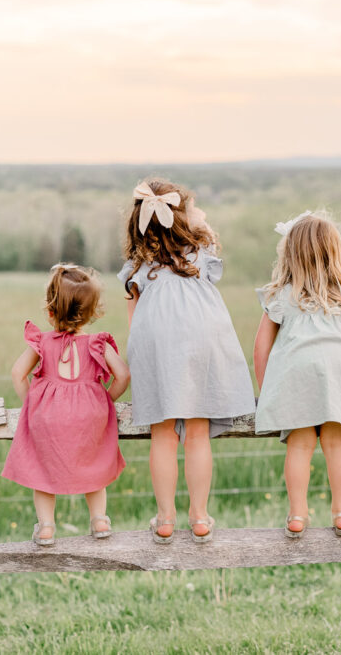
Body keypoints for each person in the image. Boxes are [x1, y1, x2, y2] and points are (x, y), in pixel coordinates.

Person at [119, 178, 255, 543]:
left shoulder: (138, 267)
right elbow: (206, 228)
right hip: (202, 341)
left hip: (154, 344)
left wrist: (143, 361)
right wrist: (198, 221)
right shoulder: (200, 255)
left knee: (162, 435)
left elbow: (135, 323)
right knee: (196, 434)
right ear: (183, 220)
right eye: (194, 210)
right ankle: (199, 515)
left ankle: (165, 517)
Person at [253, 211, 341, 538]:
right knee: (336, 444)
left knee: (299, 446)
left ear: (289, 254)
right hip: (339, 372)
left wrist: (267, 390)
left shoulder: (280, 295)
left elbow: (262, 347)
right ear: (337, 253)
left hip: (295, 374)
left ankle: (297, 514)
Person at [2, 264, 129, 546]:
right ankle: (99, 520)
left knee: (42, 470)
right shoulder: (97, 343)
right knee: (94, 466)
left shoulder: (41, 343)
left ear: (50, 311)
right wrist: (106, 400)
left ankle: (46, 527)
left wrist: (31, 404)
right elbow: (123, 375)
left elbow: (16, 373)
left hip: (46, 415)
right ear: (92, 311)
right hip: (90, 414)